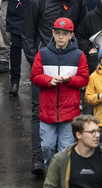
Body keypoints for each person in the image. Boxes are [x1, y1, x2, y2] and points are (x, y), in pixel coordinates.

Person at [32, 16, 91, 163]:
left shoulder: (79, 55)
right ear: (52, 33)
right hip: (47, 110)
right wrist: (48, 81)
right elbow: (34, 76)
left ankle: (60, 176)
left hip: (69, 111)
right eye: (58, 32)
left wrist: (70, 80)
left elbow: (84, 79)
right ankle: (51, 169)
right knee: (47, 146)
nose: (60, 36)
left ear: (71, 35)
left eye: (65, 33)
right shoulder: (43, 54)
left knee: (66, 149)